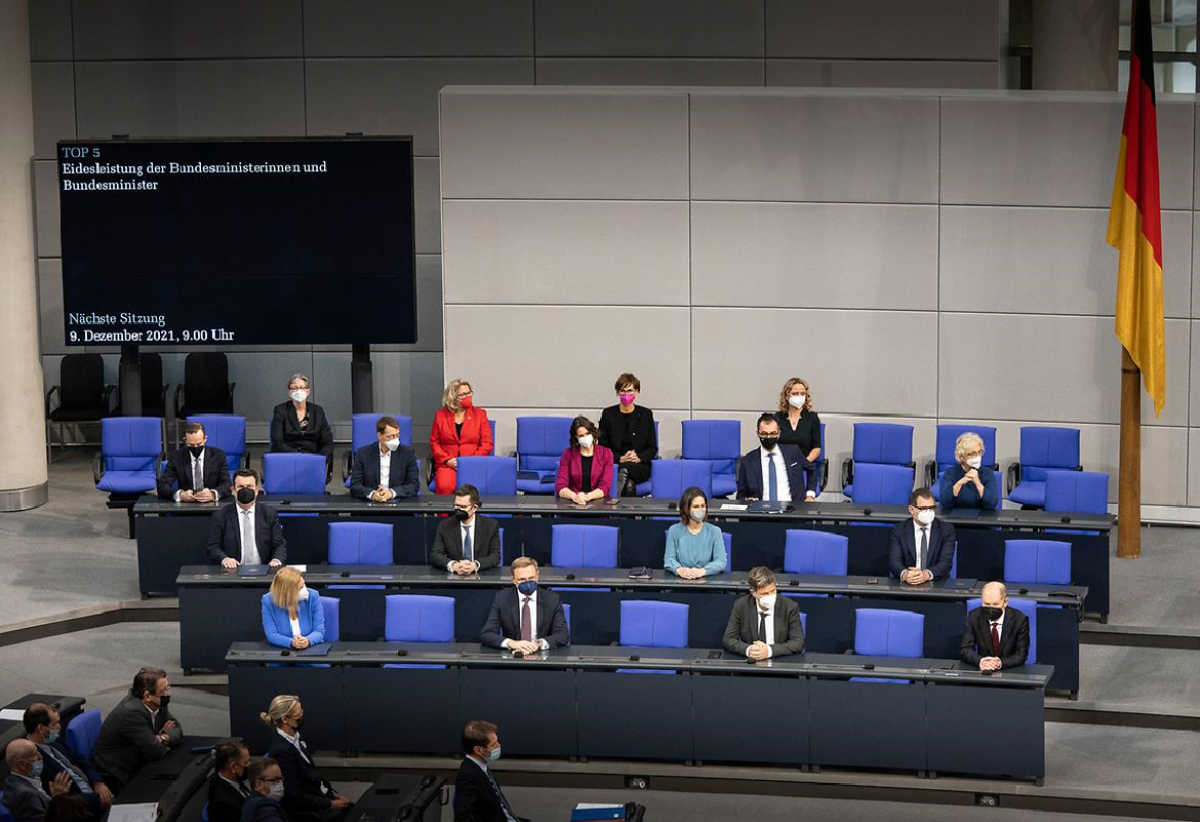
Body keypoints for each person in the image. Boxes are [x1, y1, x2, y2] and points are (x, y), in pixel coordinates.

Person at [261, 696, 351, 822]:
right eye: (298, 714)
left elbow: (311, 777)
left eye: (302, 711)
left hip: (320, 797)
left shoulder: (295, 738)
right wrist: (330, 803)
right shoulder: (281, 751)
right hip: (311, 810)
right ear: (285, 719)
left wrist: (332, 794)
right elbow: (294, 795)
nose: (302, 715)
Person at [91, 667, 181, 792]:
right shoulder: (131, 713)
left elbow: (177, 728)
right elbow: (155, 751)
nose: (168, 694)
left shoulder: (159, 702)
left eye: (168, 688)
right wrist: (161, 738)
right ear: (147, 696)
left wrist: (162, 737)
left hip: (139, 758)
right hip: (117, 771)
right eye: (164, 690)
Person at [23, 703, 112, 815]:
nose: (59, 727)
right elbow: (64, 798)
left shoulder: (52, 740)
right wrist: (98, 798)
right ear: (40, 728)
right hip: (81, 808)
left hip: (93, 787)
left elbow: (79, 759)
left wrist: (98, 782)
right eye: (55, 724)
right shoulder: (34, 762)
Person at [480, 558, 569, 653]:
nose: (528, 583)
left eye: (531, 578)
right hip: (514, 655)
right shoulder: (502, 598)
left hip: (542, 655)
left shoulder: (552, 599)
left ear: (537, 576)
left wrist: (538, 644)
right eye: (522, 579)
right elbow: (487, 634)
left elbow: (562, 635)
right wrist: (512, 643)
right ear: (513, 580)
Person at [206, 469, 287, 568]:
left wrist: (276, 559)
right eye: (241, 487)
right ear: (233, 490)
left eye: (249, 486)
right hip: (233, 573)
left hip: (263, 572)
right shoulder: (221, 516)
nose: (245, 490)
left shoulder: (269, 514)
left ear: (257, 490)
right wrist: (225, 559)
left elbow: (279, 544)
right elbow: (213, 547)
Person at [722, 567, 805, 659]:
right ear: (753, 592)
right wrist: (749, 649)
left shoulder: (790, 607)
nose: (770, 597)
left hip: (780, 662)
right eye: (765, 594)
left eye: (773, 591)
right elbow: (728, 639)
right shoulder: (741, 606)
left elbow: (798, 642)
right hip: (752, 664)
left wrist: (769, 651)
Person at [453, 720, 528, 822]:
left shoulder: (481, 767)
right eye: (493, 745)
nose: (499, 746)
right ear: (478, 750)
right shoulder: (467, 775)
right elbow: (462, 817)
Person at [430, 379, 494, 496]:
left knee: (471, 490)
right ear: (453, 397)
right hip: (448, 464)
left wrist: (469, 461)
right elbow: (434, 443)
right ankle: (446, 514)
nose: (468, 396)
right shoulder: (440, 415)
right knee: (445, 486)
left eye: (469, 393)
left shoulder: (480, 414)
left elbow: (487, 443)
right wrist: (447, 460)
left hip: (473, 463)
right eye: (463, 394)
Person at [598, 373, 657, 497]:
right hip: (615, 462)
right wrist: (619, 458)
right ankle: (628, 514)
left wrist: (638, 457)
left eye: (630, 391)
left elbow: (652, 448)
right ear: (618, 393)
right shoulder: (608, 414)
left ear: (636, 392)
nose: (626, 395)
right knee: (629, 486)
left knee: (623, 471)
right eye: (622, 391)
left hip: (639, 465)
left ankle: (612, 506)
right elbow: (603, 447)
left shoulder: (646, 414)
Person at [736, 413, 810, 502]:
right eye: (764, 434)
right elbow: (741, 496)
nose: (768, 437)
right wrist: (747, 500)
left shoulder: (793, 452)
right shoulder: (747, 461)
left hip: (791, 510)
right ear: (757, 434)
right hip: (760, 512)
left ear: (779, 433)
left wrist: (810, 495)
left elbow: (811, 469)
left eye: (772, 433)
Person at [889, 487, 957, 583]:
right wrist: (906, 575)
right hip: (907, 586)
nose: (928, 512)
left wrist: (926, 575)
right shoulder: (899, 530)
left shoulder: (946, 530)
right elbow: (894, 562)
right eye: (923, 508)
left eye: (931, 508)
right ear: (911, 509)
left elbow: (945, 563)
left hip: (936, 584)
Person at [430, 485, 501, 575]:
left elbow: (495, 556)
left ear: (474, 508)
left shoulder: (491, 526)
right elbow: (436, 554)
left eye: (463, 507)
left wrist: (475, 565)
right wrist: (453, 565)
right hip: (454, 578)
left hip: (482, 577)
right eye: (456, 506)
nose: (458, 510)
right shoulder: (445, 525)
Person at [961, 581, 1031, 671]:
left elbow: (1021, 654)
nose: (991, 609)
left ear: (1005, 601)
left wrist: (999, 663)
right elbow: (965, 650)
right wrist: (981, 661)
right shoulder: (974, 616)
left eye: (995, 604)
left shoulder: (1020, 619)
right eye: (986, 604)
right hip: (983, 672)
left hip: (1009, 671)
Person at [156, 421, 231, 502]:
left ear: (205, 439)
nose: (195, 448)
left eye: (199, 444)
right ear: (185, 440)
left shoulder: (218, 456)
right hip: (187, 506)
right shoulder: (176, 457)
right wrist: (180, 495)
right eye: (191, 445)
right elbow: (162, 486)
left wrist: (213, 494)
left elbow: (227, 483)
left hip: (212, 505)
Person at [349, 416, 419, 502]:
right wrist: (372, 494)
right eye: (390, 436)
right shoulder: (363, 454)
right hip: (371, 505)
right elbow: (355, 485)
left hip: (398, 503)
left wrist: (392, 493)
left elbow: (414, 485)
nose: (395, 440)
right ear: (379, 435)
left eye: (397, 435)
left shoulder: (407, 453)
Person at [774, 377, 822, 501]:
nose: (799, 396)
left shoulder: (812, 418)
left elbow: (816, 448)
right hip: (782, 466)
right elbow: (772, 446)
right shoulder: (777, 418)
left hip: (804, 467)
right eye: (795, 393)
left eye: (802, 394)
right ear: (786, 395)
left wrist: (802, 463)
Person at [664, 487, 727, 579]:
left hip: (707, 584)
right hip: (681, 583)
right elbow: (669, 560)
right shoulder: (674, 530)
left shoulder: (715, 531)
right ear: (686, 509)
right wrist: (680, 570)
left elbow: (721, 562)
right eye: (696, 507)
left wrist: (702, 571)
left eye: (703, 506)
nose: (700, 510)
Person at [270, 374, 334, 463]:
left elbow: (327, 441)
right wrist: (299, 456)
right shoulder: (280, 410)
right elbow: (277, 441)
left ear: (308, 391)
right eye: (294, 388)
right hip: (287, 457)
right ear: (289, 392)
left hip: (313, 457)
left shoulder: (317, 411)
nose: (298, 391)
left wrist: (321, 458)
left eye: (301, 387)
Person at [3, 739, 71, 822]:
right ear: (21, 765)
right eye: (34, 754)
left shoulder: (12, 780)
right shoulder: (25, 795)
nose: (40, 756)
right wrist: (58, 799)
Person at [261, 568, 324, 651]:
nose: (305, 590)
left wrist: (307, 640)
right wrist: (292, 642)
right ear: (288, 592)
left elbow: (319, 631)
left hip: (310, 649)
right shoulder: (268, 601)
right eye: (300, 588)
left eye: (304, 585)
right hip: (282, 650)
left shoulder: (313, 596)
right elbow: (271, 634)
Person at [555, 416, 612, 504]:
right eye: (581, 435)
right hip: (572, 505)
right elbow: (560, 485)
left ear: (593, 432)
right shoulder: (568, 454)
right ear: (576, 437)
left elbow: (605, 486)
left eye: (588, 433)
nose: (586, 437)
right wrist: (574, 497)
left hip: (598, 505)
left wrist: (588, 497)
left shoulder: (606, 454)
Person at [939, 431, 1000, 511]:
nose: (977, 457)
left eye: (979, 452)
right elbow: (945, 504)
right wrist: (960, 483)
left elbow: (992, 504)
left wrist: (977, 483)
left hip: (981, 519)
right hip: (956, 518)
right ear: (962, 457)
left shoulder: (987, 474)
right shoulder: (950, 473)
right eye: (972, 454)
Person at [207, 741, 251, 822]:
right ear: (233, 766)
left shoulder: (223, 776)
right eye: (246, 762)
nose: (249, 765)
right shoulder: (226, 804)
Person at [240, 757, 293, 822]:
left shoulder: (258, 801)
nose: (280, 784)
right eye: (275, 780)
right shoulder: (262, 808)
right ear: (258, 784)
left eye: (281, 779)